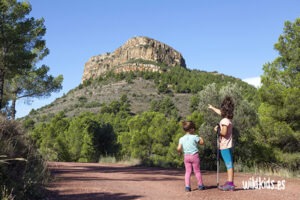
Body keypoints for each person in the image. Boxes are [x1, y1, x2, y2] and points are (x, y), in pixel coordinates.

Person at [208, 96, 235, 191]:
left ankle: (230, 184)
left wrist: (217, 130)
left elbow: (223, 132)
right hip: (228, 145)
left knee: (229, 164)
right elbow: (220, 112)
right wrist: (212, 108)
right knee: (229, 164)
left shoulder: (224, 121)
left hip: (224, 146)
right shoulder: (227, 119)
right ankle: (230, 182)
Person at [177, 120, 205, 192]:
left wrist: (179, 152)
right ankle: (200, 185)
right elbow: (202, 143)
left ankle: (187, 187)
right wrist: (201, 138)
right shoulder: (195, 137)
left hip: (186, 156)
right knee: (197, 171)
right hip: (194, 156)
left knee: (188, 172)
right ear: (191, 129)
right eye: (194, 128)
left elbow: (179, 148)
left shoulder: (181, 138)